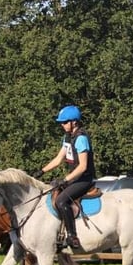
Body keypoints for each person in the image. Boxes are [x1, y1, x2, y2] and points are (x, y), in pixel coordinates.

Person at [32, 105, 95, 249]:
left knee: (61, 201)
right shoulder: (67, 138)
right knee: (51, 192)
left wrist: (65, 179)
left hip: (84, 179)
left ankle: (72, 237)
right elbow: (59, 159)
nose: (62, 125)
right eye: (61, 122)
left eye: (65, 122)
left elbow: (83, 166)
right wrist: (41, 171)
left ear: (74, 122)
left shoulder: (81, 139)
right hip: (74, 179)